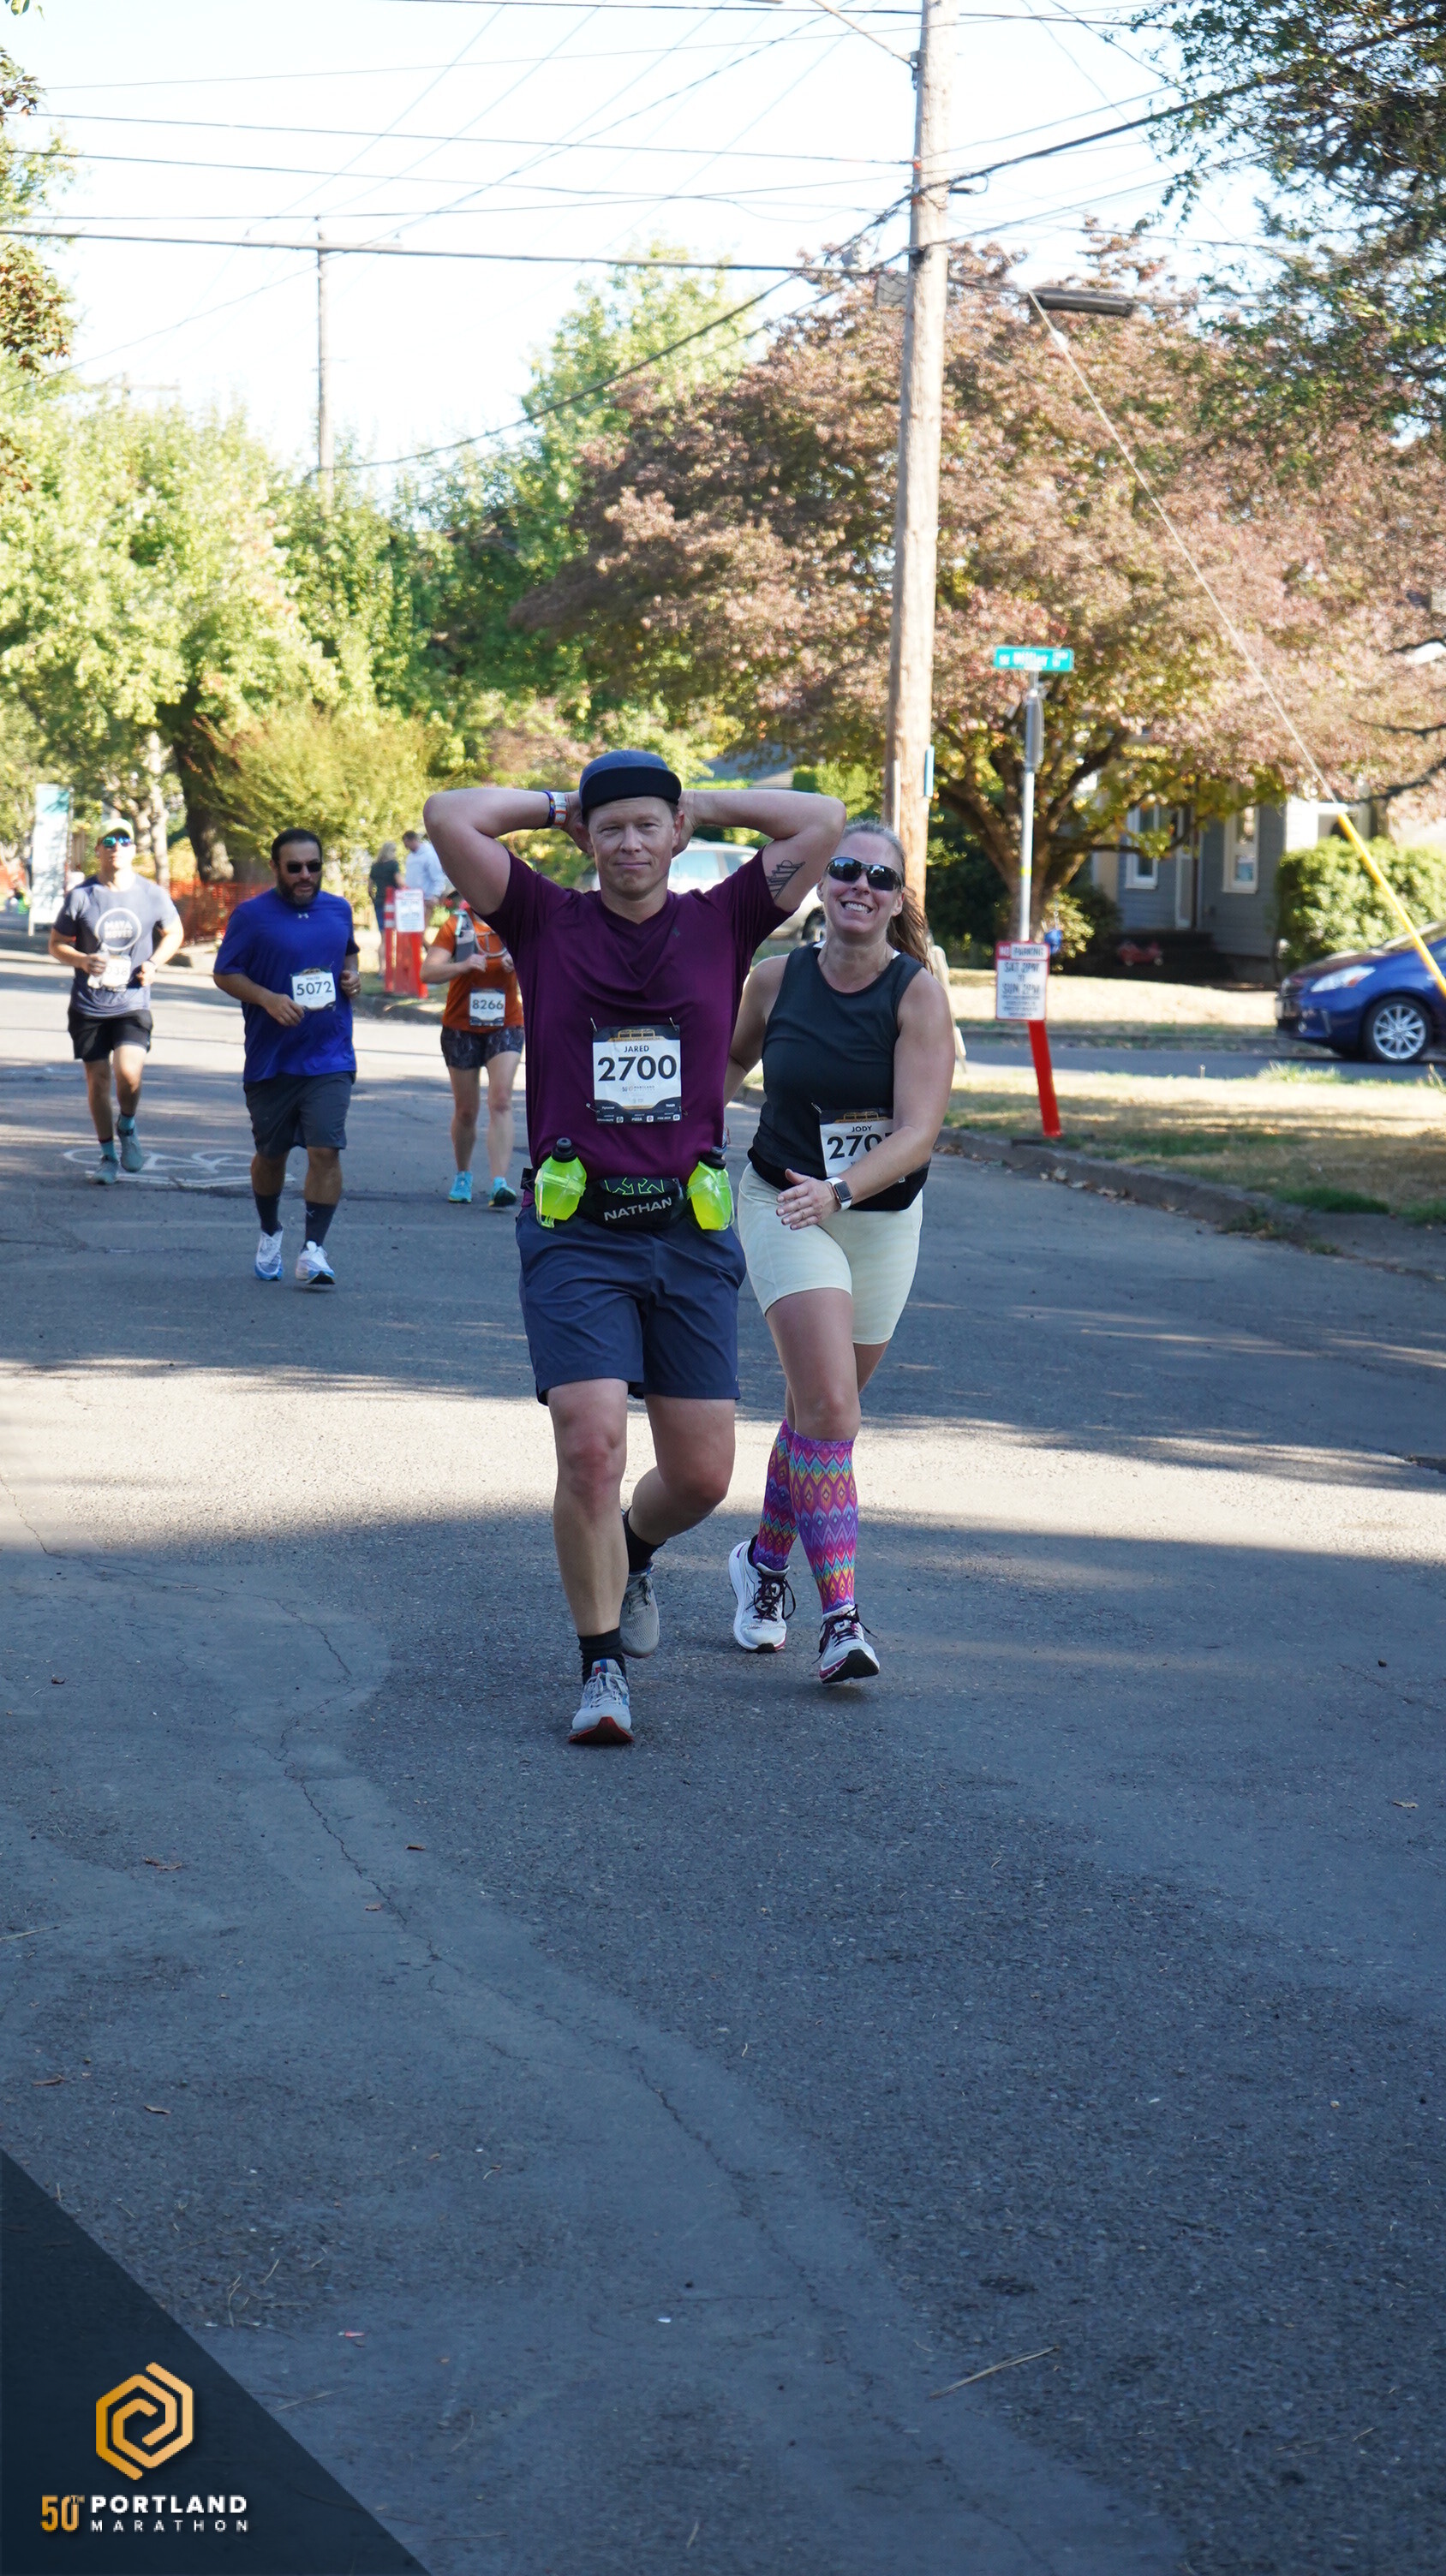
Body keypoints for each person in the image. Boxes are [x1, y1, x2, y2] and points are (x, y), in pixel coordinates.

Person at [424, 752, 845, 1747]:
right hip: (578, 1231)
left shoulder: (722, 920)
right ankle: (600, 1662)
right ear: (585, 835)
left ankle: (630, 1548)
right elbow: (449, 814)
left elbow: (822, 820)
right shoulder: (541, 918)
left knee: (699, 1476)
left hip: (685, 1233)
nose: (628, 843)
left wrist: (698, 799)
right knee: (590, 1441)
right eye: (609, 826)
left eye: (648, 824)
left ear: (676, 833)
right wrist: (556, 804)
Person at [723, 820, 956, 1684]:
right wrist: (672, 1145)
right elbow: (727, 1065)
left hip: (878, 1215)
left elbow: (918, 1131)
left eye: (879, 878)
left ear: (897, 900)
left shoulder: (916, 995)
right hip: (784, 1205)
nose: (861, 886)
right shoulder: (775, 980)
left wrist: (843, 1190)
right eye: (847, 870)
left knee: (817, 1414)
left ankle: (761, 1562)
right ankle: (841, 1620)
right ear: (823, 884)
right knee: (831, 1409)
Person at [213, 828, 361, 1288]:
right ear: (275, 867)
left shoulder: (338, 909)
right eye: (294, 867)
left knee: (325, 1149)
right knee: (271, 1156)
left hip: (330, 1055)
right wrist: (267, 998)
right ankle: (270, 1230)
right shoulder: (252, 916)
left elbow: (348, 956)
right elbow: (224, 973)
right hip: (272, 1060)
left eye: (313, 866)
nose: (305, 875)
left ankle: (314, 1249)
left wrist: (352, 977)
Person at [49, 823, 183, 1184]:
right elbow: (56, 943)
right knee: (98, 1081)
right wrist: (82, 960)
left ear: (133, 850)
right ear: (98, 850)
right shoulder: (82, 896)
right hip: (89, 1005)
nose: (117, 847)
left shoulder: (151, 894)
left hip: (132, 1000)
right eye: (109, 841)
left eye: (124, 841)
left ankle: (127, 1124)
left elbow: (174, 932)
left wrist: (154, 963)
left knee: (128, 1074)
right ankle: (108, 1156)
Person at [421, 893, 523, 1207]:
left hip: (506, 1024)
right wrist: (463, 965)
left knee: (501, 1100)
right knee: (466, 1110)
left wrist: (520, 961)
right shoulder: (456, 926)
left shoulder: (517, 925)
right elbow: (428, 972)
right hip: (461, 1026)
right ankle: (463, 1174)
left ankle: (499, 1182)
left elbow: (550, 964)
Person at [402, 828, 449, 906]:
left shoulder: (429, 855)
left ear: (413, 840)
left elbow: (437, 876)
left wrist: (436, 895)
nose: (407, 848)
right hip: (411, 899)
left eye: (407, 845)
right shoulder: (410, 857)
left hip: (426, 899)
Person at [368, 839, 403, 936]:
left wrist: (374, 899)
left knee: (383, 935)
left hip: (379, 901)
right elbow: (400, 882)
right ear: (390, 851)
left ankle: (383, 945)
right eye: (394, 851)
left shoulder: (374, 866)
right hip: (392, 901)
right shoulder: (393, 864)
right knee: (394, 932)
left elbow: (370, 888)